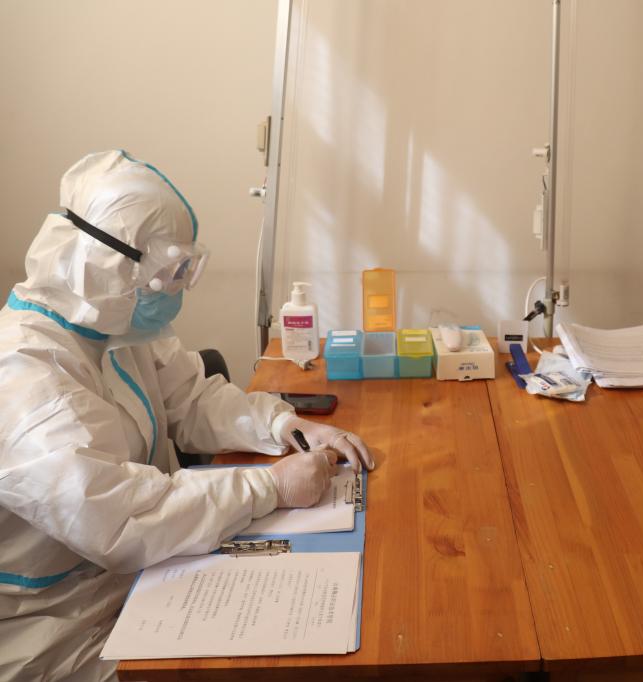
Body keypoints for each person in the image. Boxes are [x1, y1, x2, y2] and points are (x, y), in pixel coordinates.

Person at [0, 150, 375, 682]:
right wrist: (269, 487)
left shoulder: (113, 329)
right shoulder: (22, 376)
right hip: (56, 628)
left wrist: (285, 425)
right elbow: (119, 520)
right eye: (171, 272)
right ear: (108, 266)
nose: (177, 288)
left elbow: (194, 397)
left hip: (148, 575)